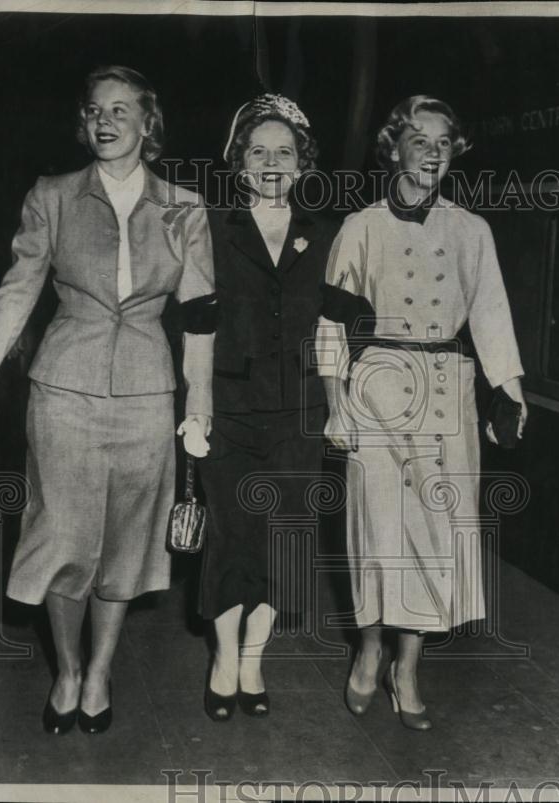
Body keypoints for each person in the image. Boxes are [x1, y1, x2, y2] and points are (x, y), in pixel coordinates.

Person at [0, 65, 215, 735]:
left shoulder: (185, 207)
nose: (106, 120)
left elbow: (203, 320)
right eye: (96, 109)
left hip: (149, 396)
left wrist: (199, 408)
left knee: (126, 546)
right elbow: (17, 290)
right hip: (63, 389)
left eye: (122, 109)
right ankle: (66, 668)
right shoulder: (54, 196)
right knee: (63, 539)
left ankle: (100, 670)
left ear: (148, 124)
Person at [317, 95, 527, 730]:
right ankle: (371, 648)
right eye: (419, 140)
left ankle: (408, 668)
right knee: (379, 539)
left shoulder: (471, 230)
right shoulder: (360, 226)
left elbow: (491, 316)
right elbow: (331, 324)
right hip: (376, 388)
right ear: (395, 149)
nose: (432, 152)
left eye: (443, 141)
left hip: (447, 395)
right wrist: (334, 407)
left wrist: (511, 392)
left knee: (436, 541)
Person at [197, 94, 338, 721]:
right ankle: (224, 659)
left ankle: (255, 662)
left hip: (300, 409)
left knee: (284, 541)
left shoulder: (326, 233)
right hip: (229, 408)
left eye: (285, 151)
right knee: (231, 537)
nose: (272, 161)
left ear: (303, 163)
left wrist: (339, 404)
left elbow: (338, 327)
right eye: (259, 151)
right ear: (239, 162)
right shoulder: (211, 229)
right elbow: (194, 323)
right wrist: (195, 407)